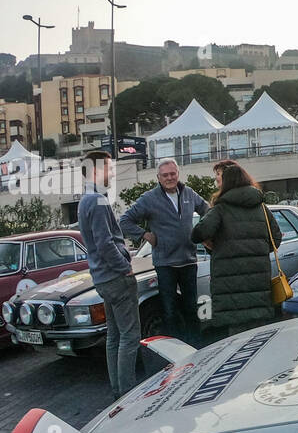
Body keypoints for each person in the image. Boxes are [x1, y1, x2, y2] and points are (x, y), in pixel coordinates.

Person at [119, 158, 209, 347]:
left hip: (188, 261)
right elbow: (125, 221)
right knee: (169, 310)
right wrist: (144, 234)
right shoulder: (149, 198)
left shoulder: (189, 193)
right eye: (165, 175)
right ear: (158, 178)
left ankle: (196, 348)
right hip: (165, 264)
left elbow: (207, 210)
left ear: (178, 174)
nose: (170, 178)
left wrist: (204, 233)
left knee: (191, 309)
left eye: (173, 174)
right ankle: (174, 351)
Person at [191, 160, 281, 339]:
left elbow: (198, 234)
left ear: (227, 183)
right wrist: (256, 251)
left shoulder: (220, 209)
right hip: (258, 280)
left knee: (237, 340)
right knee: (260, 336)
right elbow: (276, 239)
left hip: (229, 283)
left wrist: (216, 247)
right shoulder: (262, 208)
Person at [77, 151, 139, 398]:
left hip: (102, 280)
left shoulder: (85, 200)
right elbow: (105, 244)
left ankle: (118, 391)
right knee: (130, 337)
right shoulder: (98, 201)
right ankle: (128, 392)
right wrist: (124, 267)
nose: (112, 173)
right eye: (109, 168)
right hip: (116, 278)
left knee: (114, 336)